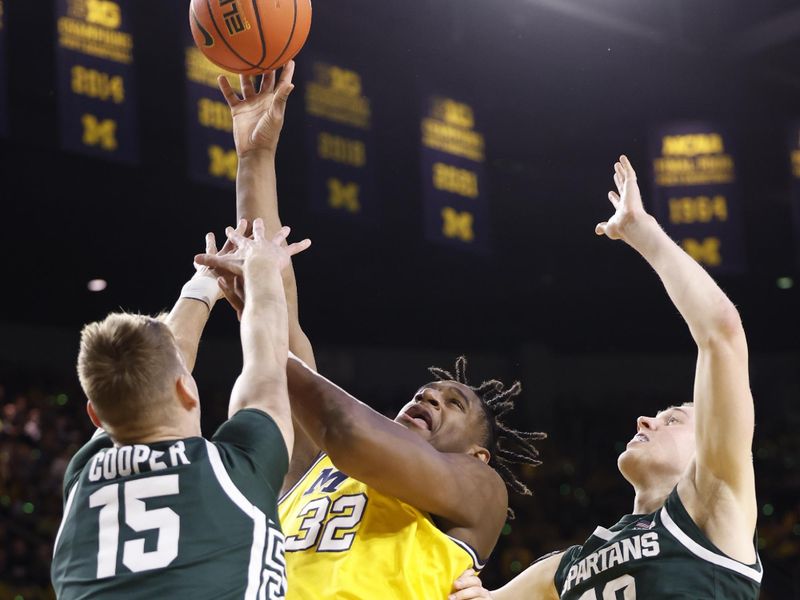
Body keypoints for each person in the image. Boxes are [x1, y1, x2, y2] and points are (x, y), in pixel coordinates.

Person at [190, 66, 547, 598]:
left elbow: (347, 428)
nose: (430, 396)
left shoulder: (479, 490)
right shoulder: (315, 467)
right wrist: (254, 157)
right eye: (427, 392)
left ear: (478, 453)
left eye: (455, 404)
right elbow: (273, 282)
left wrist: (258, 321)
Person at [449, 156, 762, 600]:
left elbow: (722, 333)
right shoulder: (565, 568)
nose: (644, 421)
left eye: (672, 419)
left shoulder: (714, 506)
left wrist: (642, 231)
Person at [51, 219, 310, 598]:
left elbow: (163, 366)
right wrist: (261, 267)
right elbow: (268, 353)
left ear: (95, 416)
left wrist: (208, 283)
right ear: (186, 387)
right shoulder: (236, 471)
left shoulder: (84, 474)